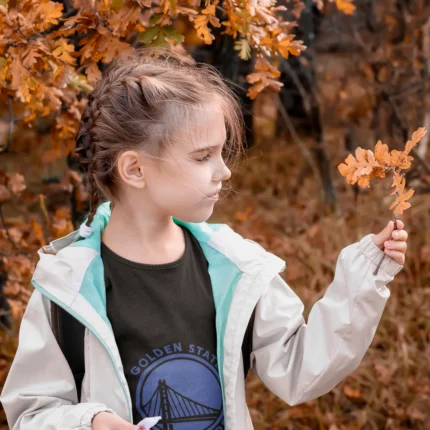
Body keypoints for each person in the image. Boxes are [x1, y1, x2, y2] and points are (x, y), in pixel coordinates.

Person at [0, 47, 408, 430]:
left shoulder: (236, 267)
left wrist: (360, 281)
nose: (224, 171)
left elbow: (300, 370)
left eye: (220, 153)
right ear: (135, 170)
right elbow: (32, 410)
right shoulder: (66, 289)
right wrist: (89, 422)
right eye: (202, 157)